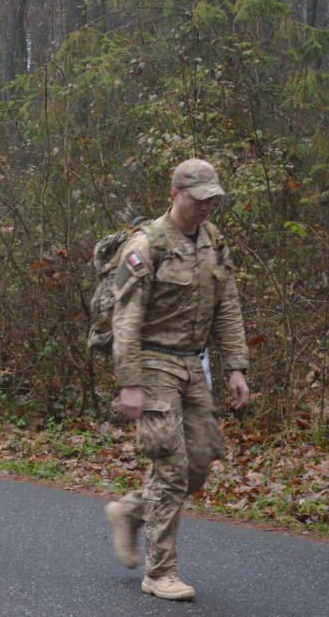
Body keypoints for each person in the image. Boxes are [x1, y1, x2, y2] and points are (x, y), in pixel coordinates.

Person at [104, 158, 249, 601]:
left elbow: (227, 306)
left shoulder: (214, 243)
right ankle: (160, 572)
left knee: (200, 461)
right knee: (170, 467)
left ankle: (130, 510)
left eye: (212, 200)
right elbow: (125, 318)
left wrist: (236, 367)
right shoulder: (147, 244)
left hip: (193, 364)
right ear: (175, 194)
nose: (206, 208)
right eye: (198, 198)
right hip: (152, 364)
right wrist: (130, 382)